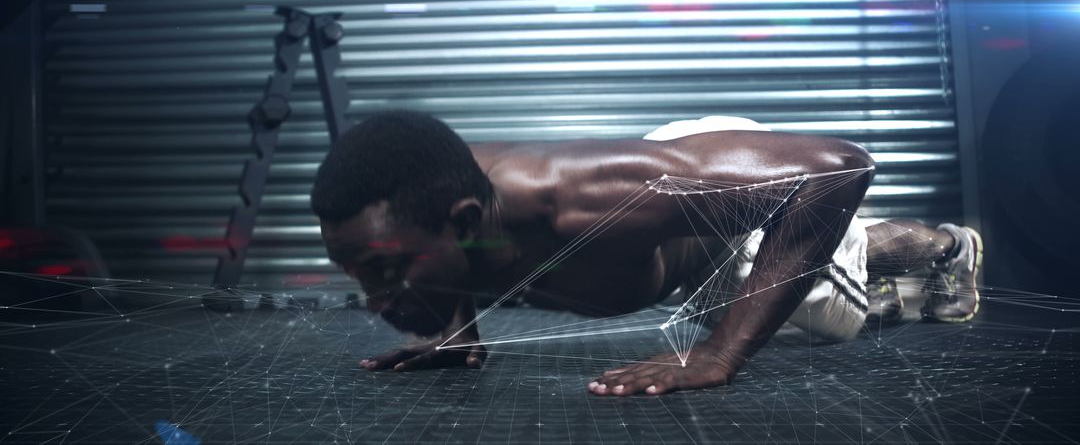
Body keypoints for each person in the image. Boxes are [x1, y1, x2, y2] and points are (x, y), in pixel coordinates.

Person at [311, 111, 982, 396]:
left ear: (460, 222)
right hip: (667, 232)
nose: (376, 304)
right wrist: (454, 333)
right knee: (843, 287)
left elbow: (836, 170)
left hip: (723, 242)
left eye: (387, 275)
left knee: (838, 308)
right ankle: (906, 292)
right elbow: (455, 250)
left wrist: (722, 353)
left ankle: (948, 247)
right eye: (361, 277)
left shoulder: (583, 201)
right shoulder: (441, 197)